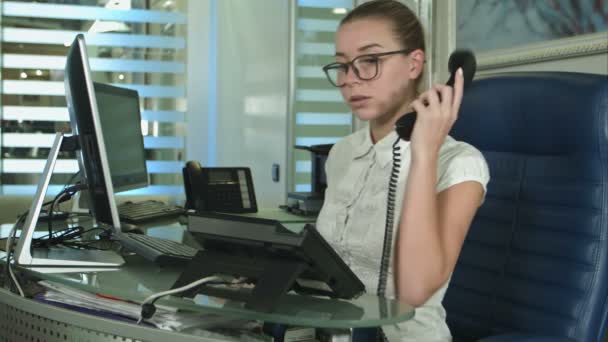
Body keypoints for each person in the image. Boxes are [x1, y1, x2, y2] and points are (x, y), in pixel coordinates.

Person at [315, 0, 490, 340]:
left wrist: (423, 152)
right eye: (341, 66)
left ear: (414, 64)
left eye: (370, 61)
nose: (351, 79)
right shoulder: (342, 154)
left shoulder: (460, 163)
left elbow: (414, 291)